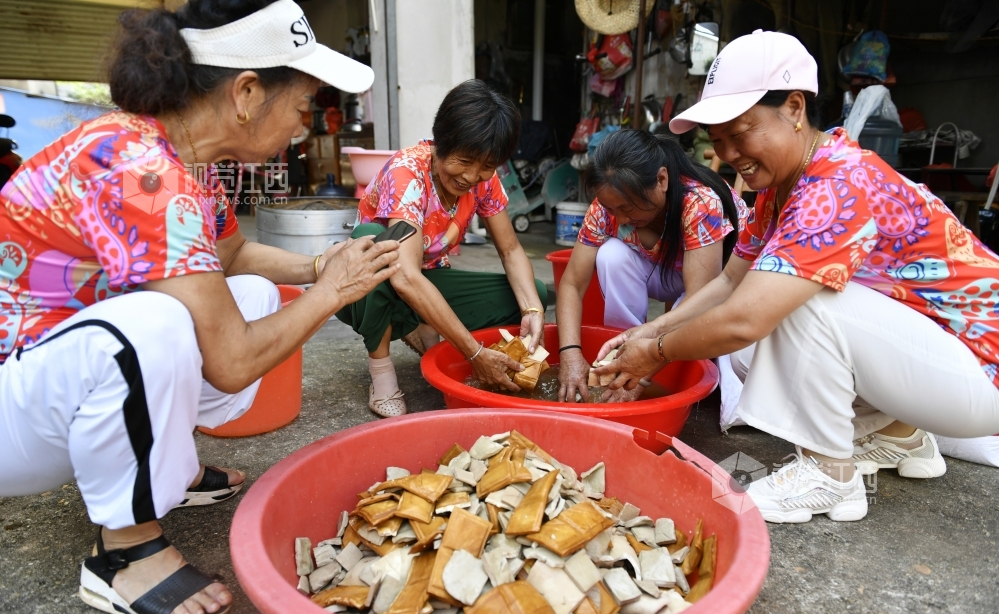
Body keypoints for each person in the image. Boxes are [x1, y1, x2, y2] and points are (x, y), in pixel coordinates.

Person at [0, 0, 400, 614]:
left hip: (54, 386)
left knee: (248, 294)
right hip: (15, 413)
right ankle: (124, 554)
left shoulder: (188, 163)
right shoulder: (141, 171)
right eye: (301, 108)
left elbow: (232, 254)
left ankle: (164, 466)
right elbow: (232, 360)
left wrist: (324, 264)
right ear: (246, 93)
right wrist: (333, 293)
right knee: (153, 327)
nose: (304, 126)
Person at [593, 30, 999, 524]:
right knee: (749, 328)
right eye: (717, 141)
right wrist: (648, 331)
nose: (729, 154)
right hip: (943, 365)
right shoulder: (779, 190)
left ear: (793, 107)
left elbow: (746, 315)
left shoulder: (836, 184)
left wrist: (654, 353)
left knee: (791, 302)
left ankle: (831, 475)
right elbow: (727, 283)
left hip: (981, 370)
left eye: (739, 132)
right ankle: (901, 439)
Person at [337, 79, 548, 417]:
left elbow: (510, 250)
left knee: (532, 292)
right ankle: (381, 371)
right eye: (464, 160)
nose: (471, 176)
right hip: (375, 286)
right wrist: (474, 353)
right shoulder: (408, 173)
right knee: (374, 243)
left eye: (486, 166)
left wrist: (532, 310)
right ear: (440, 143)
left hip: (430, 278)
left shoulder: (484, 182)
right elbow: (405, 277)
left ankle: (428, 332)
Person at [555, 129, 749, 403]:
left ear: (661, 180)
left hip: (714, 288)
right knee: (611, 255)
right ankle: (622, 352)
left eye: (629, 208)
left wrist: (648, 363)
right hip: (667, 272)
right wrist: (570, 353)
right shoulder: (605, 208)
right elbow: (573, 284)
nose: (620, 218)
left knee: (689, 309)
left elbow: (701, 298)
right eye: (613, 209)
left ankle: (654, 362)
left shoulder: (699, 201)